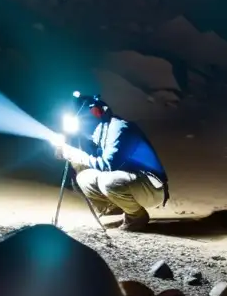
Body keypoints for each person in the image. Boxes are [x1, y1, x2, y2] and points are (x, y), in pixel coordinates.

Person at [54, 95, 169, 231]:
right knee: (83, 177)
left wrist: (74, 154)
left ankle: (137, 218)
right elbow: (89, 161)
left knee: (107, 182)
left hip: (152, 187)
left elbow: (107, 165)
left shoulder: (118, 128)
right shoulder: (101, 130)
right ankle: (116, 207)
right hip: (134, 183)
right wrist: (67, 148)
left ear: (97, 112)